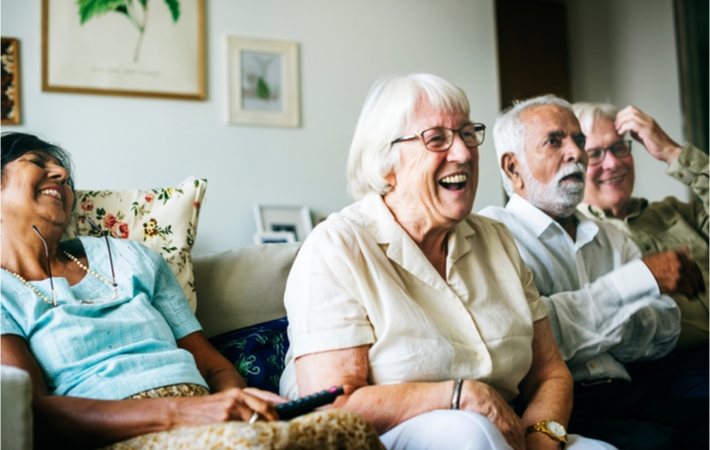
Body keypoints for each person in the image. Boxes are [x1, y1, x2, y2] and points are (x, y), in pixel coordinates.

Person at [279, 74, 613, 450]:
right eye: (437, 139)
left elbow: (550, 373)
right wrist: (460, 395)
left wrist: (542, 434)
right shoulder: (337, 246)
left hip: (506, 433)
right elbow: (334, 403)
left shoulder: (497, 239)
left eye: (468, 134)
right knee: (469, 433)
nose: (464, 153)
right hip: (386, 438)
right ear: (386, 162)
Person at [0, 132, 383, 450]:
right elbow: (32, 411)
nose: (62, 174)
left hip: (207, 416)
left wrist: (238, 403)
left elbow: (213, 366)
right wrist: (184, 414)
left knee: (349, 430)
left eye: (65, 175)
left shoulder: (131, 258)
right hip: (117, 432)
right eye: (38, 163)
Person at [479, 95, 706, 450]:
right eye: (555, 141)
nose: (577, 153)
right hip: (560, 407)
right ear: (513, 167)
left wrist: (579, 321)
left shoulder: (612, 238)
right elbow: (529, 340)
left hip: (632, 392)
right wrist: (634, 286)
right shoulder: (493, 233)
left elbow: (663, 328)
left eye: (579, 140)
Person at [572, 102, 708, 351]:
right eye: (594, 154)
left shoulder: (675, 212)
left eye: (618, 147)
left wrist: (671, 151)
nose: (612, 163)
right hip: (677, 371)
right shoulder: (576, 237)